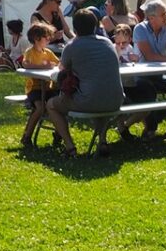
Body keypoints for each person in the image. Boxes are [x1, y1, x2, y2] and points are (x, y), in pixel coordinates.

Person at [43, 10, 124, 153]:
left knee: (51, 105)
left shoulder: (72, 46)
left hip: (89, 100)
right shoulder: (107, 43)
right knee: (100, 94)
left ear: (74, 28)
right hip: (116, 100)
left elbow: (62, 69)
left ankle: (69, 146)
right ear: (95, 26)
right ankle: (102, 141)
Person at [16, 23, 60, 149]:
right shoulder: (30, 52)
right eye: (46, 38)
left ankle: (59, 134)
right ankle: (26, 136)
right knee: (40, 108)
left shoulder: (48, 52)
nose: (48, 40)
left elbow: (58, 63)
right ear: (37, 38)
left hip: (48, 87)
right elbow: (26, 64)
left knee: (58, 106)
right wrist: (43, 67)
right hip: (34, 88)